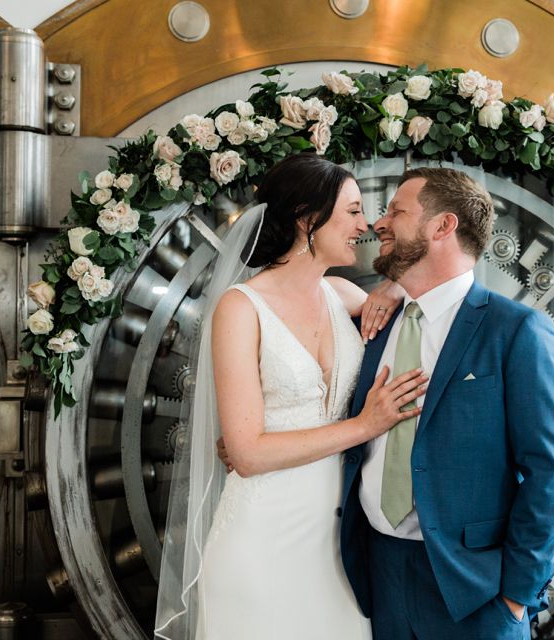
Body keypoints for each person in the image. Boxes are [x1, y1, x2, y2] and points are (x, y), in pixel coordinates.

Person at [154, 154, 424, 640]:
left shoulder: (343, 295)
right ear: (307, 220)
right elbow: (248, 453)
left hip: (340, 548)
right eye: (353, 211)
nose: (364, 225)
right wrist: (364, 425)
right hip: (261, 542)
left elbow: (424, 327)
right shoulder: (241, 309)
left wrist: (392, 285)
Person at [339, 167, 554, 640]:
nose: (378, 223)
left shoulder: (516, 331)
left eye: (396, 211)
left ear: (442, 226)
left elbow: (553, 471)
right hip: (377, 572)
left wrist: (516, 596)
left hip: (475, 590)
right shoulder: (376, 321)